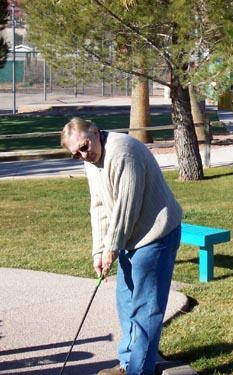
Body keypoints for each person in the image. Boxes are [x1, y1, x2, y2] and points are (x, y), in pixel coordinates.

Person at [60, 117, 183, 375]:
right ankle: (128, 364)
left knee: (146, 309)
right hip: (130, 238)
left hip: (155, 234)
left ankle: (140, 370)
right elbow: (100, 207)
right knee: (125, 302)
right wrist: (98, 251)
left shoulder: (123, 152)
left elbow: (127, 208)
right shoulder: (91, 161)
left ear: (94, 131)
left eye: (84, 146)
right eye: (76, 154)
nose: (83, 155)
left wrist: (111, 248)